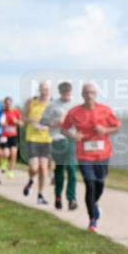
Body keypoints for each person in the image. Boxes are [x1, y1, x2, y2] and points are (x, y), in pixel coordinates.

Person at [61, 82, 121, 231]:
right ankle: (92, 220)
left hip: (103, 154)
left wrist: (105, 130)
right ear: (82, 95)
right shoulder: (74, 112)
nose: (89, 95)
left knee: (100, 183)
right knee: (90, 183)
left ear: (96, 94)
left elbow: (117, 126)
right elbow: (63, 128)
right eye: (86, 92)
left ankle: (94, 204)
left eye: (92, 92)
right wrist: (73, 135)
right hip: (84, 154)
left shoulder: (105, 110)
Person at [43, 81, 78, 210]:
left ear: (71, 91)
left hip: (71, 139)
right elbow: (43, 120)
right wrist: (54, 122)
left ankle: (71, 199)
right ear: (60, 92)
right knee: (59, 170)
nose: (66, 94)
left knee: (71, 169)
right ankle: (58, 196)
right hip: (57, 140)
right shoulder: (53, 105)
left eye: (68, 92)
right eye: (64, 92)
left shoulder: (76, 105)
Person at [22, 81, 52, 204]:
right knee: (34, 168)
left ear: (49, 90)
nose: (44, 91)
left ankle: (40, 195)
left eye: (46, 89)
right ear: (39, 89)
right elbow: (23, 118)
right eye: (42, 89)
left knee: (44, 169)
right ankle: (30, 180)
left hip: (46, 140)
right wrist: (31, 120)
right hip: (33, 138)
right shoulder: (31, 101)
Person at [0, 97, 21, 178]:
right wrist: (2, 124)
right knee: (6, 153)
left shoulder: (16, 112)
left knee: (14, 153)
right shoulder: (2, 112)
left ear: (12, 103)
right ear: (5, 104)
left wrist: (16, 121)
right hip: (4, 135)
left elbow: (21, 123)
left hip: (13, 136)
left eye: (9, 103)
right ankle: (3, 162)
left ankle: (10, 171)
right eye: (6, 104)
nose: (8, 105)